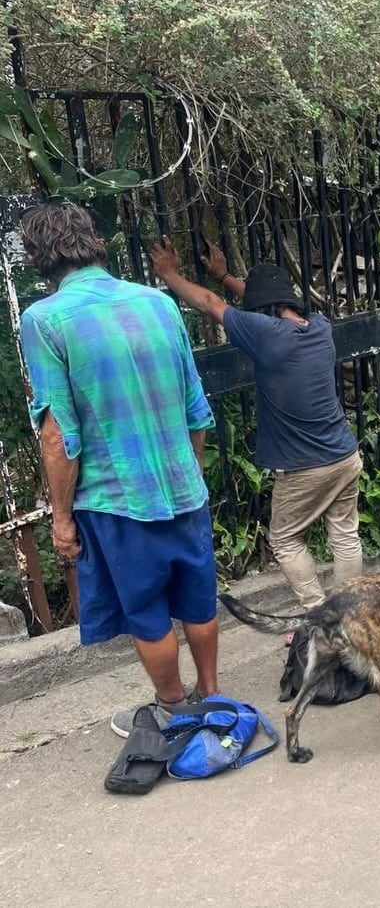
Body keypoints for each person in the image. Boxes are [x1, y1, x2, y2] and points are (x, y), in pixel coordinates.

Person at [19, 203, 220, 738]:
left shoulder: (45, 319)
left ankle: (173, 708)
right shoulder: (157, 302)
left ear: (39, 255)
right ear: (94, 243)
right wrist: (191, 474)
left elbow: (59, 432)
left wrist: (62, 518)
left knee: (147, 610)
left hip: (117, 499)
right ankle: (212, 694)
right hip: (184, 488)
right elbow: (195, 406)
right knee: (198, 598)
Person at [152, 240, 363, 610]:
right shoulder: (320, 326)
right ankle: (353, 613)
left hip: (302, 467)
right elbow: (262, 301)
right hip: (345, 456)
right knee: (344, 535)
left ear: (259, 310)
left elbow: (210, 304)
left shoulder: (265, 334)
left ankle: (318, 616)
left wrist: (170, 274)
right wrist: (225, 276)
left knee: (284, 540)